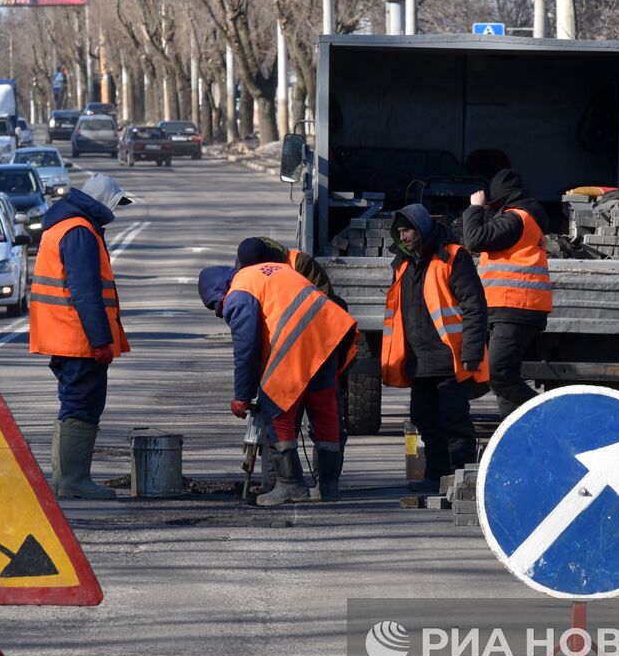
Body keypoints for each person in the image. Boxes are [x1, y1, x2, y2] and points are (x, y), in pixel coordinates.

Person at [198, 260, 357, 505]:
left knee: (276, 406)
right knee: (324, 408)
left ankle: (290, 484)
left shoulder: (239, 293)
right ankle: (328, 485)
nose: (220, 310)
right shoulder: (263, 271)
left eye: (216, 305)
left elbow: (246, 348)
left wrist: (242, 396)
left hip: (296, 340)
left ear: (219, 290)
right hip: (327, 332)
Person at [29, 188, 130, 499]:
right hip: (78, 338)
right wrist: (100, 341)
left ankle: (63, 479)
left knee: (72, 404)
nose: (115, 211)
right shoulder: (80, 231)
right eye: (115, 204)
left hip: (63, 335)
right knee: (83, 406)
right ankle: (74, 481)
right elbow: (86, 292)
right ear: (101, 202)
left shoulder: (62, 225)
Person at [382, 203, 488, 492]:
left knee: (454, 420)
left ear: (422, 229)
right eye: (400, 231)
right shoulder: (402, 265)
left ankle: (462, 479)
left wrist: (472, 352)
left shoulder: (453, 257)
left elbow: (475, 306)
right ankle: (437, 475)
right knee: (424, 419)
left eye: (408, 231)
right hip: (419, 361)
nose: (403, 237)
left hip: (451, 358)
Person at [460, 168, 552, 420]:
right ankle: (517, 427)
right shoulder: (520, 219)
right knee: (503, 374)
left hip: (516, 307)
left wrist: (475, 209)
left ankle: (547, 416)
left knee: (499, 373)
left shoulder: (516, 220)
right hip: (510, 307)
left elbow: (474, 240)